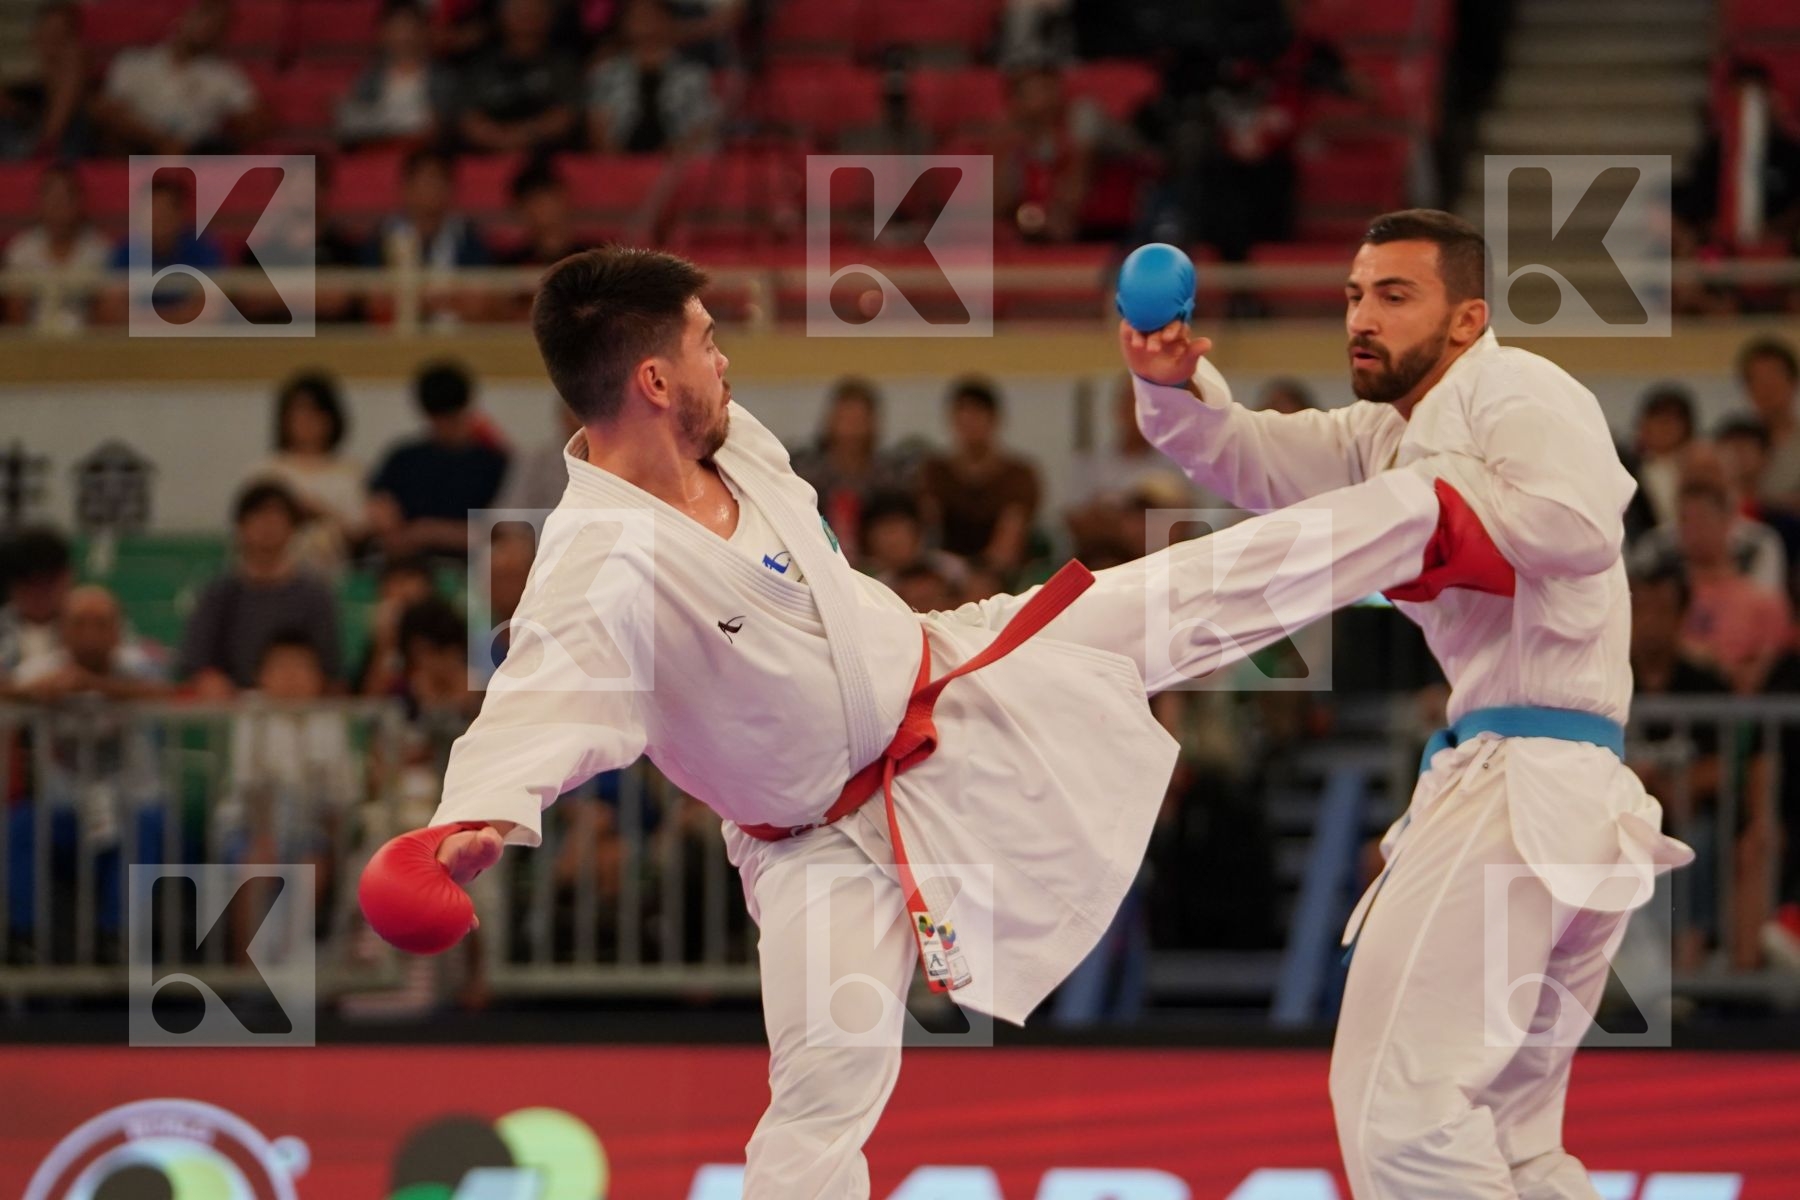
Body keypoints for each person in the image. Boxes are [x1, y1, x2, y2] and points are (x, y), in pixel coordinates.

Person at [356, 245, 1516, 1199]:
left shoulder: (731, 444)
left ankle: (1436, 517)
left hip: (953, 673)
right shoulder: (598, 561)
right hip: (818, 844)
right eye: (706, 341)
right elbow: (544, 688)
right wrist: (469, 818)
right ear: (654, 381)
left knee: (1187, 595)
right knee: (825, 1089)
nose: (726, 359)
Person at [1124, 208, 1693, 1198]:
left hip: (1525, 789)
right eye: (1353, 296)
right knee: (1515, 1143)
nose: (1362, 318)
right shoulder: (1381, 433)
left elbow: (1576, 527)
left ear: (1468, 319)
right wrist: (1172, 386)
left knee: (1402, 1113)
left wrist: (1423, 517)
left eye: (1394, 295)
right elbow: (1249, 459)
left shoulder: (1518, 388)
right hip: (1554, 796)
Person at [178, 482, 342, 696]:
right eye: (259, 516)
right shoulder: (218, 593)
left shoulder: (316, 595)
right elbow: (196, 661)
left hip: (299, 706)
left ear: (292, 528)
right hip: (233, 706)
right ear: (241, 526)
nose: (268, 526)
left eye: (277, 518)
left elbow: (329, 668)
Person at [367, 360, 511, 561]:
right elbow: (380, 504)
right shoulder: (403, 458)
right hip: (407, 564)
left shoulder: (493, 462)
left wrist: (428, 532)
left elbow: (499, 532)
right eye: (437, 419)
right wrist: (388, 526)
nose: (444, 426)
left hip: (470, 566)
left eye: (451, 418)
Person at [91, 0, 266, 155]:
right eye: (204, 16)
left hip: (194, 153)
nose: (209, 27)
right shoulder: (133, 62)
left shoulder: (226, 76)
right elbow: (106, 110)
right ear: (182, 17)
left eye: (219, 24)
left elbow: (255, 119)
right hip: (139, 144)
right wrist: (159, 141)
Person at [917, 377, 1043, 579]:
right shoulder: (935, 473)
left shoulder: (1018, 475)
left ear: (994, 419)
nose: (969, 426)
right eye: (962, 417)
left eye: (976, 416)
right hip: (944, 572)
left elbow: (1007, 543)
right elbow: (929, 529)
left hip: (1000, 575)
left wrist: (978, 573)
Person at [246, 371, 368, 576]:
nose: (305, 421)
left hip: (335, 573)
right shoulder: (266, 472)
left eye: (314, 413)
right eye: (297, 413)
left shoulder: (352, 471)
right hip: (275, 574)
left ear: (331, 418)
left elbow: (361, 534)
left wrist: (322, 512)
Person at [586, 0, 720, 155]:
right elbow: (597, 126)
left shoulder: (693, 74)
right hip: (619, 163)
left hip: (677, 165)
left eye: (651, 16)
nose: (644, 22)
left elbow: (703, 125)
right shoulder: (606, 73)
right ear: (623, 24)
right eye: (636, 17)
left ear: (667, 20)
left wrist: (675, 153)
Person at [453, 0, 582, 154]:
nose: (526, 18)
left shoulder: (563, 65)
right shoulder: (479, 65)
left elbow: (567, 115)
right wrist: (500, 138)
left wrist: (525, 134)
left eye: (534, 12)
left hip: (548, 158)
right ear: (501, 16)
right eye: (519, 12)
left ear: (550, 17)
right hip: (487, 159)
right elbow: (467, 119)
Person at [5, 165, 114, 334]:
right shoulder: (21, 249)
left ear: (79, 201)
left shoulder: (100, 249)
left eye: (66, 197)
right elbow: (15, 311)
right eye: (52, 197)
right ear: (40, 201)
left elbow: (104, 310)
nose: (58, 205)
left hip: (87, 344)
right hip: (33, 343)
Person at [335, 0, 455, 149]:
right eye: (397, 28)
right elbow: (352, 127)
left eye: (410, 28)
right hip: (376, 157)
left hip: (423, 156)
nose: (404, 36)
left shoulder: (443, 79)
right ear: (383, 33)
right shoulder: (368, 79)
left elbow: (434, 130)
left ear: (425, 31)